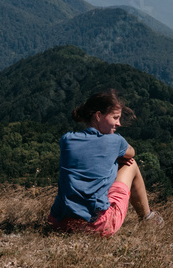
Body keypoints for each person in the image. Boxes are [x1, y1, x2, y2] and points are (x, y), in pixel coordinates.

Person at [47, 89, 163, 236]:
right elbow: (131, 153)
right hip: (97, 225)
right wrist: (116, 155)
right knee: (131, 164)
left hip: (58, 223)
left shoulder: (67, 139)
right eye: (115, 118)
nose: (119, 123)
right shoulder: (116, 141)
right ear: (98, 116)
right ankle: (147, 218)